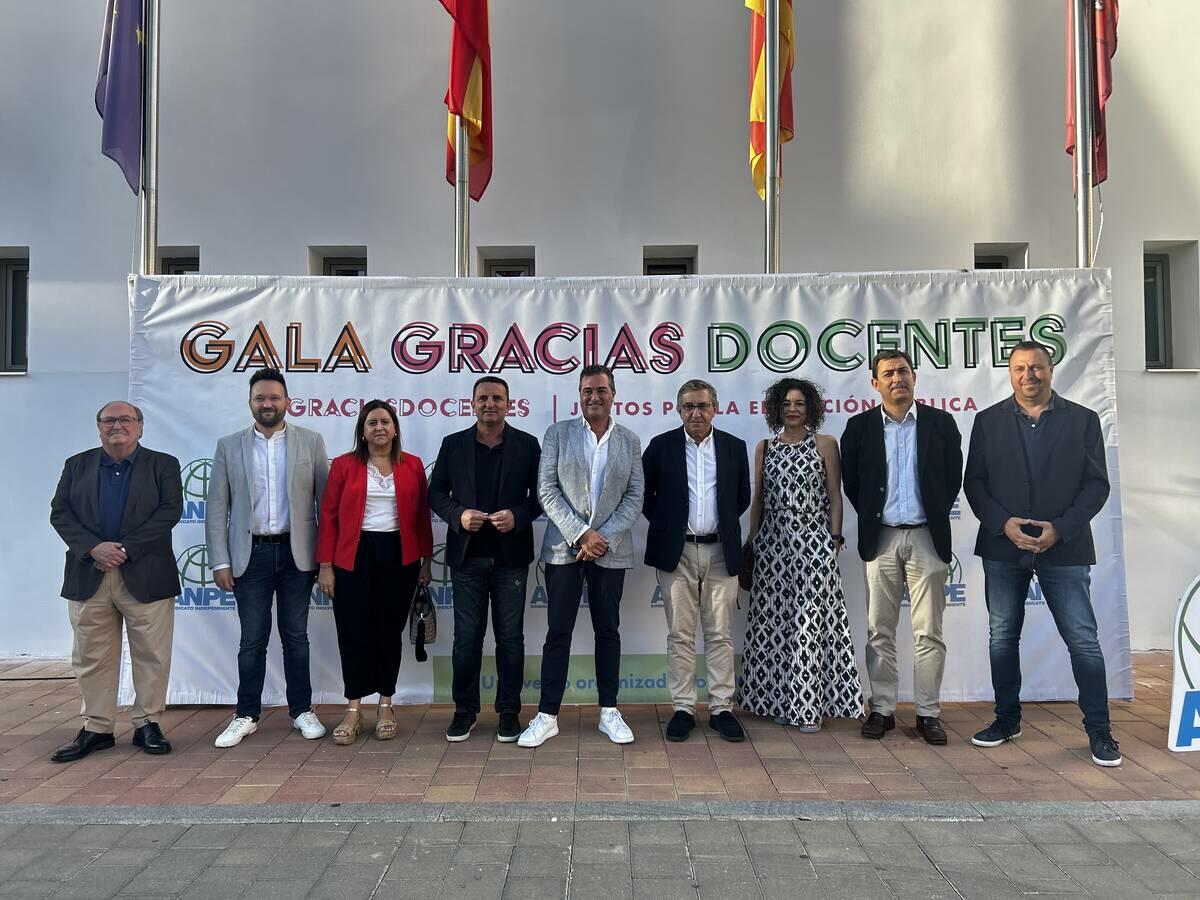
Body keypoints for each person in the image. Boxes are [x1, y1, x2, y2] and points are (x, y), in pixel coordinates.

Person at [964, 340, 1120, 766]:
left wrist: (1062, 528)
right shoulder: (987, 421)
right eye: (1019, 368)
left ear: (1051, 371)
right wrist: (1003, 524)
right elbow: (974, 483)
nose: (1028, 375)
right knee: (1002, 638)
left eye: (1036, 368)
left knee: (1083, 641)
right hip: (1003, 545)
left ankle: (1100, 733)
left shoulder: (1083, 420)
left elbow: (1096, 485)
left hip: (1064, 547)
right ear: (1009, 373)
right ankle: (1006, 720)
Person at [840, 349, 963, 745]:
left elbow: (952, 479)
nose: (898, 378)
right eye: (888, 373)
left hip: (928, 536)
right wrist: (880, 518)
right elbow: (854, 486)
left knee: (929, 631)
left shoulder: (941, 424)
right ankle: (883, 709)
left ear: (915, 377)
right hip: (883, 538)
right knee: (880, 630)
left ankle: (928, 713)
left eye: (904, 371)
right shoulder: (858, 428)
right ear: (875, 383)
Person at [518, 365, 644, 748]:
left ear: (613, 393)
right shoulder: (558, 434)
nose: (594, 396)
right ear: (579, 393)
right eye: (587, 390)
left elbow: (634, 495)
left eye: (601, 390)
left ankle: (609, 711)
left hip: (610, 550)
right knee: (558, 633)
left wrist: (602, 537)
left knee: (608, 632)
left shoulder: (630, 440)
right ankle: (547, 715)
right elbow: (546, 489)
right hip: (564, 549)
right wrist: (581, 534)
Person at [48, 401, 182, 762]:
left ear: (140, 426)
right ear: (98, 427)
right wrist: (94, 548)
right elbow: (59, 512)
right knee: (92, 656)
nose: (117, 426)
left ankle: (148, 723)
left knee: (151, 654)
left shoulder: (163, 465)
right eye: (109, 420)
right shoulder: (77, 465)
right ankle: (97, 727)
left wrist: (123, 549)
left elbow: (170, 511)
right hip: (89, 574)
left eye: (125, 420)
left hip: (145, 574)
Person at [207, 368, 330, 748]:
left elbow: (325, 505)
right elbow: (216, 508)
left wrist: (326, 560)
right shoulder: (229, 446)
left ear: (287, 402)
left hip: (298, 555)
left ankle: (301, 710)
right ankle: (246, 714)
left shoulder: (311, 442)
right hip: (251, 555)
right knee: (252, 640)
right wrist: (220, 561)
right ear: (250, 403)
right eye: (260, 398)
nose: (268, 404)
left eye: (275, 398)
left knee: (296, 637)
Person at [737, 378, 863, 732]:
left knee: (809, 624)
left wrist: (834, 539)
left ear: (811, 409)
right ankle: (782, 701)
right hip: (773, 543)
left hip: (813, 542)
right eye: (787, 403)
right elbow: (758, 499)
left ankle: (808, 707)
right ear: (777, 408)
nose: (793, 409)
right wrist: (753, 543)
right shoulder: (764, 447)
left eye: (800, 403)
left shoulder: (825, 444)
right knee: (776, 625)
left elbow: (835, 495)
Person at [428, 376, 542, 743]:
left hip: (510, 559)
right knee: (467, 640)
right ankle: (465, 711)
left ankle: (509, 713)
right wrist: (458, 515)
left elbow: (541, 496)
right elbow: (435, 494)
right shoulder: (453, 444)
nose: (489, 404)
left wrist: (519, 515)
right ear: (472, 404)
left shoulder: (527, 445)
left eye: (497, 398)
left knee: (510, 639)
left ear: (509, 404)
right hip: (467, 558)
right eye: (483, 398)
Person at [316, 400, 433, 744]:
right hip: (352, 556)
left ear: (395, 429)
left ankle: (385, 703)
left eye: (385, 421)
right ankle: (353, 708)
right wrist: (326, 566)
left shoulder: (412, 465)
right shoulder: (344, 465)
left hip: (400, 557)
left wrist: (426, 561)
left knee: (387, 632)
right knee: (353, 632)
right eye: (372, 423)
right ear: (362, 432)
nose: (379, 427)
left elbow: (422, 518)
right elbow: (329, 517)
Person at [642, 379, 750, 742]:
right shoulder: (661, 447)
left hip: (721, 551)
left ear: (715, 408)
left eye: (702, 405)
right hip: (678, 553)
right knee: (680, 635)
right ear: (678, 410)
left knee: (720, 635)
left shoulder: (734, 448)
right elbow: (645, 497)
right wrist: (671, 527)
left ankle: (721, 708)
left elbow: (742, 498)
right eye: (688, 406)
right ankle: (683, 709)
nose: (696, 413)